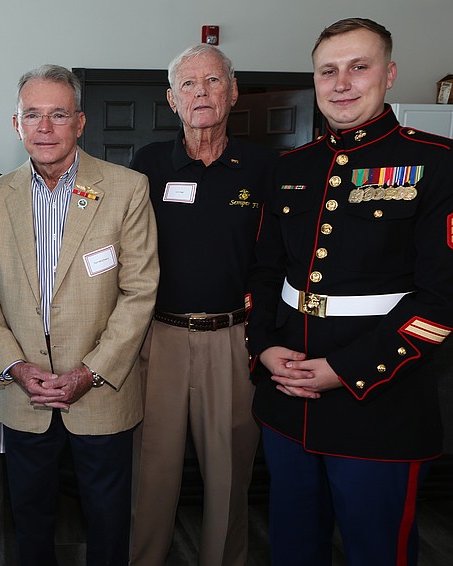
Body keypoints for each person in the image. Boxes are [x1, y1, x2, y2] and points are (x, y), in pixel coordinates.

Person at [247, 18, 453, 566]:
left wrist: (344, 370)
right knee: (292, 547)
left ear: (388, 75)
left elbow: (441, 302)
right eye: (328, 71)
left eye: (358, 68)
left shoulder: (439, 164)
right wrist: (263, 348)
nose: (342, 83)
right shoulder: (291, 166)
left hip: (380, 406)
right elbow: (265, 272)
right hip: (287, 402)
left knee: (377, 552)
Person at [0, 64, 159, 566]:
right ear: (17, 124)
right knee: (29, 520)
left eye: (58, 114)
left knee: (108, 519)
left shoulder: (126, 189)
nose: (45, 127)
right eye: (33, 114)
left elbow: (140, 292)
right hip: (24, 392)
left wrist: (89, 372)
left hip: (101, 391)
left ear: (80, 122)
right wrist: (16, 367)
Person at [129, 44, 275, 566]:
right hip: (158, 340)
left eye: (213, 82)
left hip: (233, 340)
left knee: (230, 473)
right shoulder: (147, 163)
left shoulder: (265, 166)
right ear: (172, 99)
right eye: (188, 84)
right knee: (152, 470)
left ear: (233, 93)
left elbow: (275, 259)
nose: (201, 94)